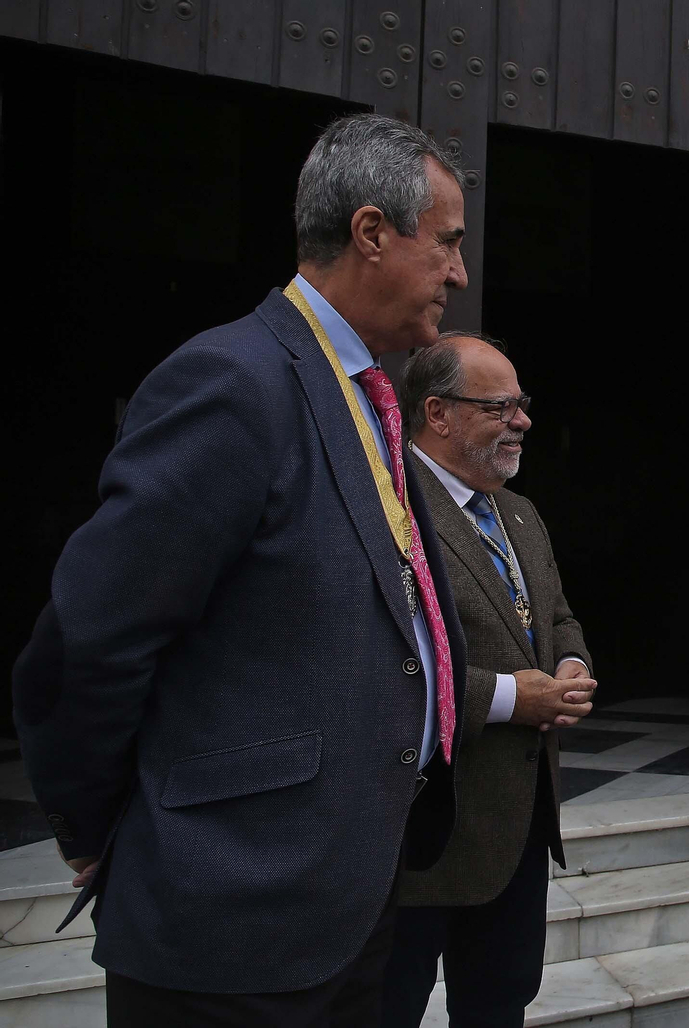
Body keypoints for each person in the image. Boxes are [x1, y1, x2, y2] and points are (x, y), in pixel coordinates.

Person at [9, 113, 470, 1024]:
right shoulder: (234, 381)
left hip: (350, 899)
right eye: (448, 244)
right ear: (372, 233)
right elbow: (91, 640)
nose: (459, 272)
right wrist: (108, 827)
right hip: (231, 917)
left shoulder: (362, 389)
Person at [379, 333, 597, 1027]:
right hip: (419, 841)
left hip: (518, 832)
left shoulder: (520, 513)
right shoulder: (388, 511)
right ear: (437, 413)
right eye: (500, 405)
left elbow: (557, 616)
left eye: (522, 403)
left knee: (498, 1008)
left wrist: (570, 664)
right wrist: (511, 699)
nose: (523, 420)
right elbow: (380, 665)